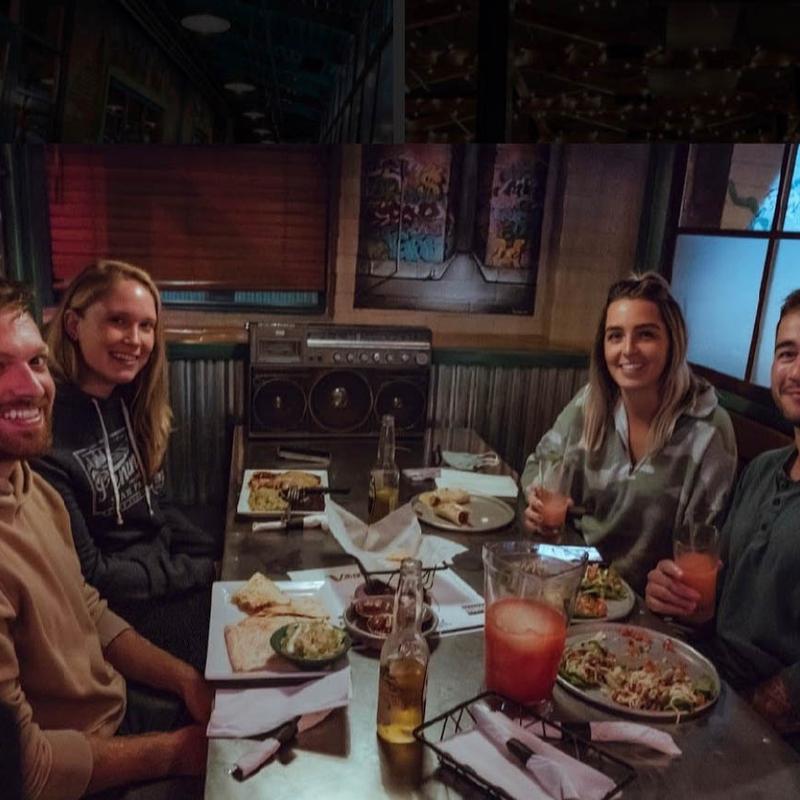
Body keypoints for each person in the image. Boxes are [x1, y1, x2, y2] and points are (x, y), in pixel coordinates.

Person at [0, 280, 210, 799]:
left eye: (36, 362)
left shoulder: (31, 487)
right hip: (75, 771)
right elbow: (30, 771)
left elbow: (89, 608)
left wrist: (185, 680)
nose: (30, 387)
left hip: (116, 713)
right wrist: (178, 752)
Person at [31, 261, 219, 671]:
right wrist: (200, 571)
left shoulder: (127, 399)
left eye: (146, 326)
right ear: (74, 325)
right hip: (120, 615)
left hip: (160, 575)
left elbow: (157, 506)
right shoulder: (44, 437)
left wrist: (218, 554)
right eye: (118, 321)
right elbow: (93, 575)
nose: (135, 340)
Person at [646, 289, 800, 738]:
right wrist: (680, 599)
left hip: (769, 729)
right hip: (706, 676)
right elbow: (719, 595)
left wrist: (752, 711)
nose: (796, 372)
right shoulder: (765, 469)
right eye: (787, 353)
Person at [521, 273, 737, 591]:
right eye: (615, 336)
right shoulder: (590, 402)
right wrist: (539, 504)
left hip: (650, 602)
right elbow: (539, 464)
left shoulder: (708, 429)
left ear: (673, 342)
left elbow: (701, 544)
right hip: (573, 575)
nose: (628, 349)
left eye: (646, 335)